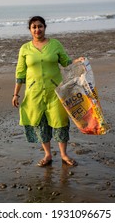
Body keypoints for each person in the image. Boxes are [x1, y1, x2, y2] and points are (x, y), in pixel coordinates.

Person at [12, 16, 83, 167]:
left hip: (55, 91)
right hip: (34, 93)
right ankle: (48, 155)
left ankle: (64, 155)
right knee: (41, 123)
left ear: (45, 27)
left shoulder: (55, 44)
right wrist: (16, 94)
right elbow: (20, 73)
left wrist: (77, 61)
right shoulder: (25, 48)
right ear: (30, 30)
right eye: (34, 27)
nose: (37, 29)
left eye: (40, 26)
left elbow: (65, 62)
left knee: (60, 121)